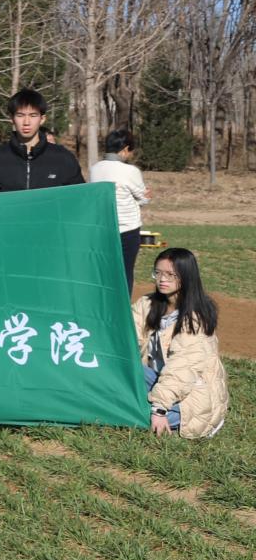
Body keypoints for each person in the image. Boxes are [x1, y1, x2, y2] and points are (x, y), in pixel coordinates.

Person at [134, 248, 228, 439]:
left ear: (186, 276)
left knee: (135, 412)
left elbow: (182, 368)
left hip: (190, 396)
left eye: (171, 275)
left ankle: (165, 414)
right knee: (127, 373)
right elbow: (126, 341)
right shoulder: (147, 304)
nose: (162, 279)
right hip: (156, 379)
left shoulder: (196, 318)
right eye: (158, 272)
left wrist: (159, 410)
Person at [0, 88, 84, 194]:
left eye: (33, 115)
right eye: (20, 115)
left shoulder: (63, 158)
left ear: (42, 119)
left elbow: (80, 196)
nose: (26, 122)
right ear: (12, 118)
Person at [91, 129, 151, 292]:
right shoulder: (131, 171)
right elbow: (143, 197)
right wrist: (146, 197)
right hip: (127, 230)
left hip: (102, 229)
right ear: (125, 149)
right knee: (125, 273)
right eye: (131, 151)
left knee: (105, 273)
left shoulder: (95, 169)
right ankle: (123, 306)